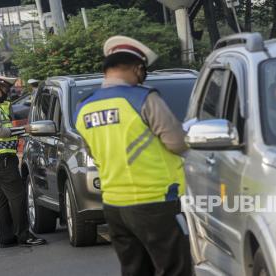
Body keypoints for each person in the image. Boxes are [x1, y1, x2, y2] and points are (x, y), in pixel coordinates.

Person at [74, 36, 192, 275]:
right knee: (174, 268)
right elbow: (178, 143)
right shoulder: (143, 99)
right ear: (138, 68)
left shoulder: (84, 108)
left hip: (115, 205)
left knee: (134, 269)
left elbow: (93, 153)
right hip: (155, 202)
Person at [0, 72, 46, 248]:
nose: (7, 94)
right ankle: (24, 235)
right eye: (5, 90)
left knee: (4, 198)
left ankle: (7, 238)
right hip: (1, 159)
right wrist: (23, 130)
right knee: (18, 196)